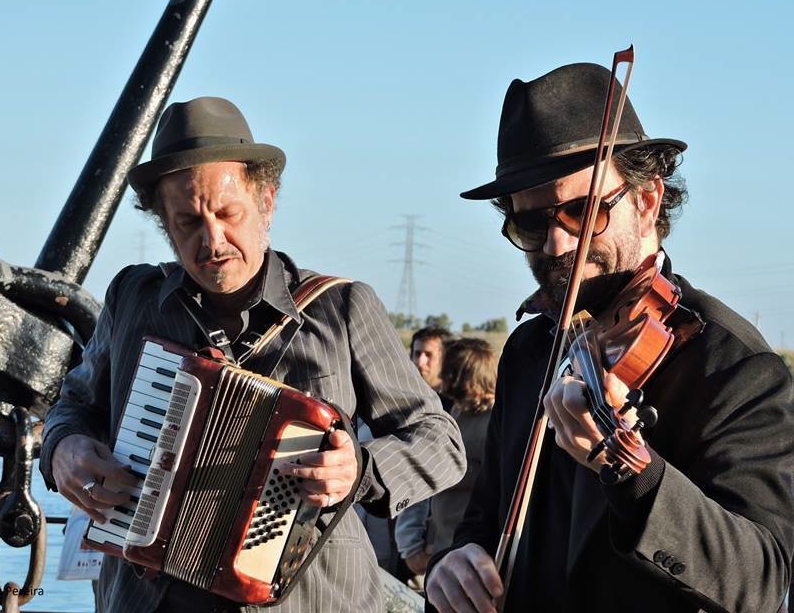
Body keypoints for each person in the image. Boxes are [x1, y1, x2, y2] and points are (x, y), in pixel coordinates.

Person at [38, 96, 465, 613]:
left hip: (314, 600)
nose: (212, 239)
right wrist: (63, 449)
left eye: (227, 213)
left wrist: (360, 470)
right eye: (188, 221)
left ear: (267, 200)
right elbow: (73, 404)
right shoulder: (132, 299)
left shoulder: (342, 307)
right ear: (164, 225)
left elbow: (440, 441)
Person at [425, 63, 794, 612]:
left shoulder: (733, 367)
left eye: (582, 212)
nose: (557, 245)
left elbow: (761, 581)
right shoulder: (530, 350)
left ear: (648, 199)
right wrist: (454, 561)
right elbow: (486, 520)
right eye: (530, 224)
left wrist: (629, 468)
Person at [396, 326, 454, 584]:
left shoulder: (452, 411)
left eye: (429, 355)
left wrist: (415, 546)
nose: (420, 362)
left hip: (430, 542)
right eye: (417, 353)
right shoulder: (398, 402)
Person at [427, 338, 497, 555]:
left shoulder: (493, 418)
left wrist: (440, 469)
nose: (440, 377)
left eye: (447, 370)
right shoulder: (459, 410)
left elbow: (494, 479)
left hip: (470, 547)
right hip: (443, 540)